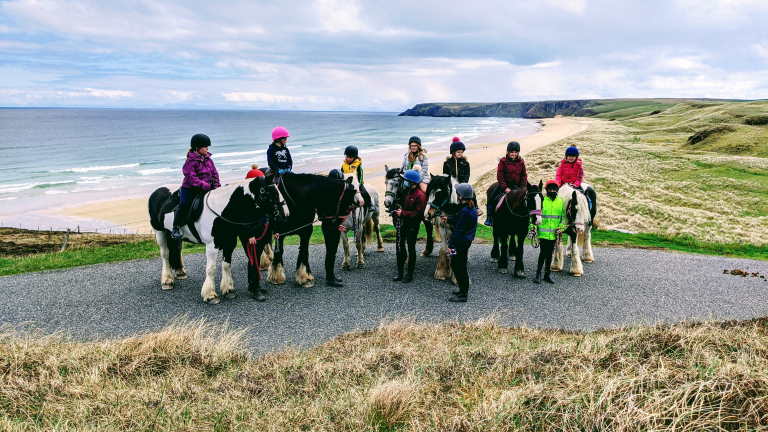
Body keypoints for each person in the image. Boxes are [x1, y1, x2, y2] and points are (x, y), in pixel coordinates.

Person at [172, 133, 220, 239]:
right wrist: (205, 185)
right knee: (184, 204)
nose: (207, 149)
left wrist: (216, 184)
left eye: (208, 147)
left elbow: (215, 172)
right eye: (205, 147)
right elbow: (191, 177)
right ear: (197, 148)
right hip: (190, 188)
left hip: (208, 187)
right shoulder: (190, 161)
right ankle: (176, 227)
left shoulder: (208, 159)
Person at [392, 169, 427, 283]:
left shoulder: (420, 195)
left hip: (413, 225)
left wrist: (402, 213)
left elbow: (419, 213)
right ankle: (400, 272)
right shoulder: (406, 191)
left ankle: (410, 274)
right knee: (400, 246)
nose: (404, 182)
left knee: (411, 248)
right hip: (403, 223)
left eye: (406, 180)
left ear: (413, 183)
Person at [446, 183, 478, 302]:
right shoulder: (469, 208)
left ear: (462, 196)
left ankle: (463, 294)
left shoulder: (464, 211)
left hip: (459, 244)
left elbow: (458, 231)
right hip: (465, 242)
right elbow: (458, 219)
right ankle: (462, 289)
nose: (457, 196)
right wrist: (448, 219)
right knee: (458, 265)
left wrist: (451, 246)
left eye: (458, 194)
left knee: (459, 266)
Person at [485, 141, 528, 226]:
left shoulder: (521, 162)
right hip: (504, 185)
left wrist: (522, 188)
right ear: (508, 152)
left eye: (516, 152)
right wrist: (505, 188)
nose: (514, 154)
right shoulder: (503, 161)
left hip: (517, 186)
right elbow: (500, 176)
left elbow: (524, 175)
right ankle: (489, 217)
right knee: (492, 196)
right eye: (512, 152)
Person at [534, 180, 567, 284]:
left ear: (557, 190)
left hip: (553, 235)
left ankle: (547, 275)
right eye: (550, 189)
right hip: (543, 234)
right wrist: (533, 227)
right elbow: (535, 215)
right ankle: (538, 275)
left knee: (549, 255)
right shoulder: (542, 201)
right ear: (546, 190)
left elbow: (563, 218)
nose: (552, 191)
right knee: (543, 254)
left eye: (554, 189)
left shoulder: (560, 202)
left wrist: (561, 227)